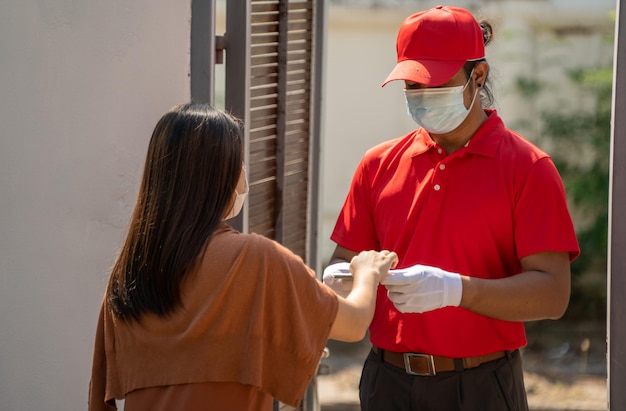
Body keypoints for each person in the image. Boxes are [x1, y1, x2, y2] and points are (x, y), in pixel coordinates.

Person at [324, 5, 580, 411]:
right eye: (413, 85)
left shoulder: (528, 168)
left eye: (436, 82)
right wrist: (340, 278)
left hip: (481, 386)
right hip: (386, 382)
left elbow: (552, 294)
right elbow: (346, 260)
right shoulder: (378, 164)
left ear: (477, 76)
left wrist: (456, 290)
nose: (423, 96)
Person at [88, 103, 398, 411]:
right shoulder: (256, 260)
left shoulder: (128, 273)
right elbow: (354, 323)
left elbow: (100, 398)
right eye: (240, 163)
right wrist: (368, 271)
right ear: (220, 176)